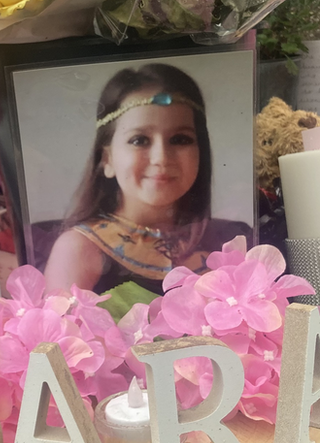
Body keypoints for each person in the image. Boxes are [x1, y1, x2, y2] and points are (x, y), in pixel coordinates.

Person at [43, 63, 250, 295]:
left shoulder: (232, 240)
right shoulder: (79, 249)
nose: (161, 158)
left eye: (180, 139)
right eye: (139, 140)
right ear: (107, 159)